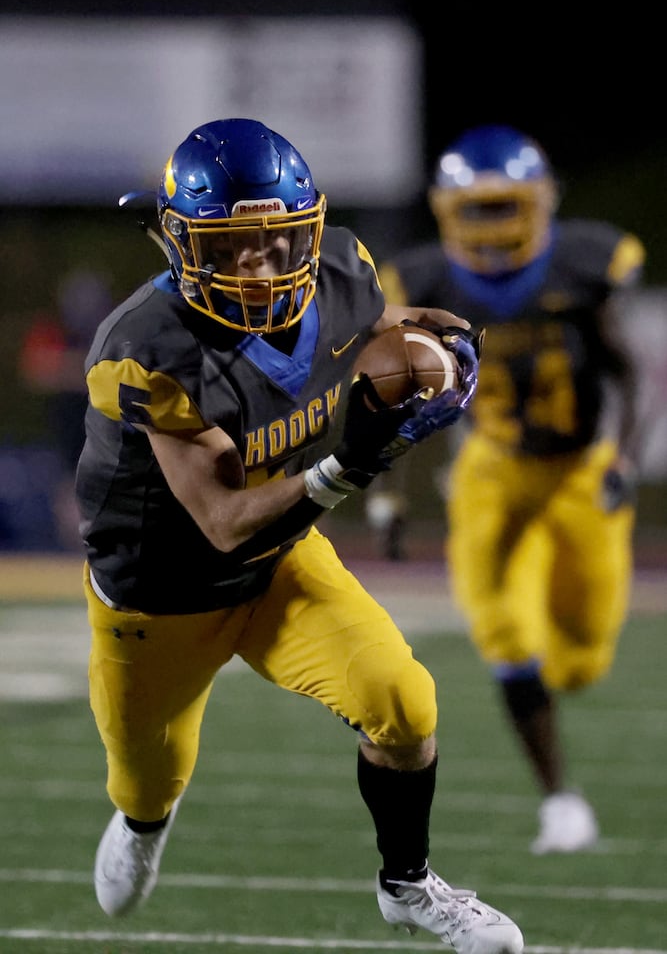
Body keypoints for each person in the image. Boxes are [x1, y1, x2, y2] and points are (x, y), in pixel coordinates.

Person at [75, 117, 524, 953]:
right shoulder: (146, 349)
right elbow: (220, 524)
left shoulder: (344, 270)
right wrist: (347, 466)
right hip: (160, 597)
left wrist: (444, 348)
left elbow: (385, 323)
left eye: (275, 241)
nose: (256, 265)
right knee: (147, 782)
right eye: (229, 247)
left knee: (404, 701)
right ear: (180, 245)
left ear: (307, 231)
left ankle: (406, 884)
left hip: (281, 563)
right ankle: (142, 823)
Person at [370, 123, 645, 854]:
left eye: (504, 207)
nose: (492, 226)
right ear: (445, 211)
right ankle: (560, 801)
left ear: (540, 202)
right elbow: (402, 391)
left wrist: (626, 456)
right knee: (501, 631)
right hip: (489, 469)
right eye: (478, 209)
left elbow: (627, 369)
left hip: (579, 468)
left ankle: (554, 687)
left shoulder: (583, 266)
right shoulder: (425, 283)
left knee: (581, 658)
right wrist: (387, 493)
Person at [18, 267, 113, 549]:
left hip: (106, 429)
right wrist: (84, 370)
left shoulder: (109, 329)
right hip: (69, 429)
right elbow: (38, 368)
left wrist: (71, 369)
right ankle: (73, 553)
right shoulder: (55, 330)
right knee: (69, 494)